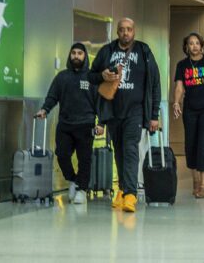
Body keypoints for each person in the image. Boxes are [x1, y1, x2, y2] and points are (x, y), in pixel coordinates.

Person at [89, 18, 161, 213]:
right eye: (122, 30)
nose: (125, 33)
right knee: (119, 150)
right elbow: (91, 76)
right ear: (118, 32)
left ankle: (130, 194)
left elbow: (155, 82)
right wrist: (102, 75)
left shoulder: (144, 51)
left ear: (134, 31)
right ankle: (121, 189)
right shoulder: (107, 51)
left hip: (135, 111)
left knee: (130, 149)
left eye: (129, 29)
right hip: (113, 111)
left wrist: (154, 114)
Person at [36, 43, 103, 204]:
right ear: (69, 56)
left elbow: (100, 102)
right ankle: (73, 180)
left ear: (85, 56)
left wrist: (101, 123)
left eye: (80, 53)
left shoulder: (92, 77)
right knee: (62, 155)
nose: (76, 56)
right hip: (65, 124)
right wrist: (45, 109)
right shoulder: (62, 77)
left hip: (86, 124)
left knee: (84, 159)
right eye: (73, 53)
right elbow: (52, 96)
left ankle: (82, 190)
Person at [172, 32, 204, 199]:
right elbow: (180, 87)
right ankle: (195, 182)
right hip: (190, 108)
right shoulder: (182, 65)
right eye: (190, 43)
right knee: (191, 145)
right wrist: (176, 102)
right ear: (186, 47)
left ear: (201, 45)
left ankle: (203, 186)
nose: (194, 46)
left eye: (196, 43)